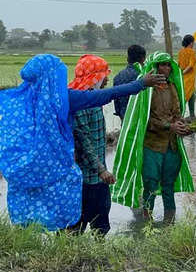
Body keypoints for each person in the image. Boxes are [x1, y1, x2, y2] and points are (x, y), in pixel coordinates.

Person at [0, 54, 165, 231]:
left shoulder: (17, 100)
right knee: (73, 219)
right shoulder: (63, 99)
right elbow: (104, 96)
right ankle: (69, 250)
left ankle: (42, 245)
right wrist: (140, 84)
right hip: (63, 169)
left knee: (49, 216)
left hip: (35, 168)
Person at [111, 52, 195, 223]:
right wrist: (169, 126)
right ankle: (147, 223)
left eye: (168, 65)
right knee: (150, 185)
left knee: (168, 186)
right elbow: (144, 120)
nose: (166, 68)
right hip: (152, 145)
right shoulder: (146, 91)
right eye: (162, 65)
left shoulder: (173, 87)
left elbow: (177, 113)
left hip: (171, 145)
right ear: (155, 67)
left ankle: (169, 224)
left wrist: (183, 126)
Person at [113, 44, 147, 122]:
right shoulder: (145, 77)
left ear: (128, 58)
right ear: (143, 59)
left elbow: (117, 104)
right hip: (142, 121)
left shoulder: (118, 77)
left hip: (125, 119)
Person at [178, 34, 196, 118]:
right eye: (193, 42)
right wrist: (184, 72)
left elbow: (178, 64)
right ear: (190, 43)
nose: (193, 44)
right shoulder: (191, 52)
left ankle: (190, 115)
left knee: (189, 95)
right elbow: (191, 65)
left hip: (183, 78)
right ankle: (184, 115)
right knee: (186, 96)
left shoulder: (180, 52)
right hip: (189, 77)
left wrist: (180, 74)